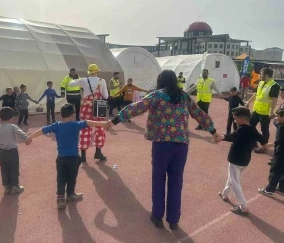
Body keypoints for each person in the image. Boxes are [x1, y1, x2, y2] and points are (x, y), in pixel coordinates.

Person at [108, 70, 218, 230]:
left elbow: (136, 108)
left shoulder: (156, 95)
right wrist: (213, 132)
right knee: (176, 181)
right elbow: (199, 114)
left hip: (162, 144)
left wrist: (114, 121)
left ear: (161, 81)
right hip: (181, 145)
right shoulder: (184, 96)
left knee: (159, 179)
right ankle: (173, 220)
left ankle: (157, 216)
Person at [27, 104, 110, 209]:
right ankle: (70, 194)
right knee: (72, 177)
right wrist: (104, 124)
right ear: (72, 114)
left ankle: (60, 198)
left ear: (61, 115)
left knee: (61, 178)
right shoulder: (75, 125)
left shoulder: (56, 126)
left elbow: (43, 130)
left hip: (61, 159)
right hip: (73, 158)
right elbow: (89, 122)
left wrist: (30, 136)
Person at [215, 107, 266, 215]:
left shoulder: (241, 129)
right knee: (232, 178)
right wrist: (264, 144)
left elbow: (233, 136)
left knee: (235, 182)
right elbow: (262, 140)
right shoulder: (253, 129)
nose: (234, 121)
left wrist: (221, 137)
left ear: (242, 119)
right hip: (245, 161)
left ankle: (243, 206)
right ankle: (225, 194)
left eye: (235, 118)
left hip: (235, 160)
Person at [0, 107, 31, 195]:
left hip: (2, 152)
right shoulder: (12, 127)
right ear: (12, 118)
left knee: (4, 169)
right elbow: (21, 133)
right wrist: (27, 138)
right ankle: (14, 187)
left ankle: (7, 187)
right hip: (12, 152)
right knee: (14, 169)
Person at [68, 64, 108, 162]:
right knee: (100, 129)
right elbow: (106, 96)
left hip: (86, 108)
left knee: (85, 129)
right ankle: (98, 152)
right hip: (98, 108)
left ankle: (83, 155)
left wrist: (77, 79)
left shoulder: (84, 80)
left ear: (89, 72)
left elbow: (70, 84)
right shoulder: (102, 81)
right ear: (97, 71)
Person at [246, 67, 280, 153]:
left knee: (264, 129)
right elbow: (256, 94)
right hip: (256, 109)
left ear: (267, 75)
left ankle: (263, 146)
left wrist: (272, 111)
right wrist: (248, 102)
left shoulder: (274, 85)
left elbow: (274, 99)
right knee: (251, 126)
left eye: (261, 74)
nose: (260, 75)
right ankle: (253, 143)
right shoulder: (261, 83)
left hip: (265, 112)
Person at [258, 108, 284, 196]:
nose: (276, 118)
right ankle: (282, 188)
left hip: (280, 152)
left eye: (278, 116)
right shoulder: (280, 124)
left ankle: (269, 190)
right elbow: (275, 122)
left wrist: (267, 145)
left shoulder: (281, 127)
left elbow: (279, 141)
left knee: (275, 170)